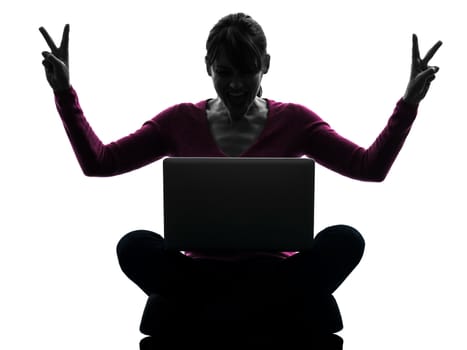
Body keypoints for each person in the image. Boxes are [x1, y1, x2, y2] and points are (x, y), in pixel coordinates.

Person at [39, 13, 442, 316]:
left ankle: (223, 304)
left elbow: (369, 167)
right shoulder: (178, 120)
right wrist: (64, 93)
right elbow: (100, 162)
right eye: (224, 72)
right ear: (208, 68)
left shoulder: (296, 120)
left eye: (247, 71)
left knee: (346, 239)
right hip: (200, 273)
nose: (235, 84)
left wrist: (409, 103)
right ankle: (248, 303)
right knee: (134, 246)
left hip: (275, 272)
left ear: (265, 64)